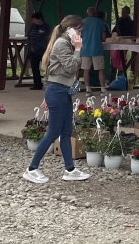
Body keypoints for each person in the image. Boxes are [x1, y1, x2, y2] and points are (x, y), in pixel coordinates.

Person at [24, 14, 91, 184]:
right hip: (57, 91)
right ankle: (32, 169)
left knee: (66, 131)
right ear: (70, 30)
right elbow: (71, 67)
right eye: (78, 31)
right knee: (53, 132)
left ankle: (70, 170)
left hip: (62, 91)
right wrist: (78, 49)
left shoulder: (64, 42)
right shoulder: (62, 44)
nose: (80, 35)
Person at [78, 6, 108, 92]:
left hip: (85, 50)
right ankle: (103, 88)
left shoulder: (82, 23)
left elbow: (79, 37)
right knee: (101, 70)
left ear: (87, 13)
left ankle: (88, 88)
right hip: (97, 49)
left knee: (86, 70)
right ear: (95, 13)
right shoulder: (100, 22)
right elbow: (104, 38)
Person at [26, 12, 51, 90]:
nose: (34, 21)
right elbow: (29, 36)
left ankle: (49, 84)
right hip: (33, 51)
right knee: (35, 68)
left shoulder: (46, 27)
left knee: (47, 67)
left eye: (35, 19)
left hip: (42, 51)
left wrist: (40, 47)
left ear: (40, 19)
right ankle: (37, 84)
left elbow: (46, 39)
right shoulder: (33, 26)